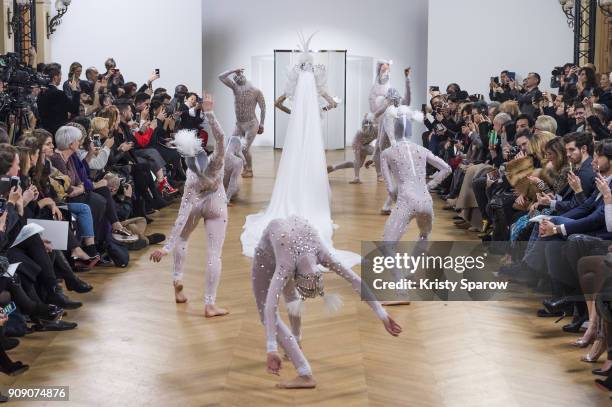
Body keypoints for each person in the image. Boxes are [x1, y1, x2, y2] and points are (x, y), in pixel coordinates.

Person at [241, 32, 358, 268]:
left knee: (294, 161)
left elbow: (277, 103)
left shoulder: (294, 87)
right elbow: (334, 103)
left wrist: (295, 114)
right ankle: (311, 197)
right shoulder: (317, 86)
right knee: (313, 159)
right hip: (312, 131)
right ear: (313, 69)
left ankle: (296, 194)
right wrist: (325, 108)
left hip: (299, 129)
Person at [252, 215, 401, 389]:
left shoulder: (318, 253)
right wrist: (271, 348)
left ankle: (304, 373)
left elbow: (355, 280)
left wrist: (383, 314)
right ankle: (296, 340)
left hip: (285, 243)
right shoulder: (293, 263)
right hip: (267, 256)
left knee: (280, 304)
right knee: (281, 302)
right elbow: (271, 306)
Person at [149, 95, 229, 318]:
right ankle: (210, 305)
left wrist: (166, 248)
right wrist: (210, 113)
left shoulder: (191, 177)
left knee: (183, 239)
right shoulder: (217, 161)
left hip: (196, 203)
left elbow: (182, 215)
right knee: (215, 254)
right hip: (217, 206)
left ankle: (178, 281)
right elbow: (221, 138)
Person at [218, 68, 266, 177]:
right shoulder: (235, 88)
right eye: (236, 77)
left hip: (251, 124)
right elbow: (221, 77)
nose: (238, 78)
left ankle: (249, 169)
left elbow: (263, 108)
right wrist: (233, 70)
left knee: (244, 148)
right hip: (239, 124)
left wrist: (262, 124)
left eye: (240, 76)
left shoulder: (256, 91)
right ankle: (244, 164)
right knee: (231, 147)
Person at [37, 64, 81, 137]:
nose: (61, 78)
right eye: (60, 75)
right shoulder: (59, 94)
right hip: (58, 132)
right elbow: (75, 109)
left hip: (45, 131)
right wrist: (75, 90)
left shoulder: (41, 93)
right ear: (55, 77)